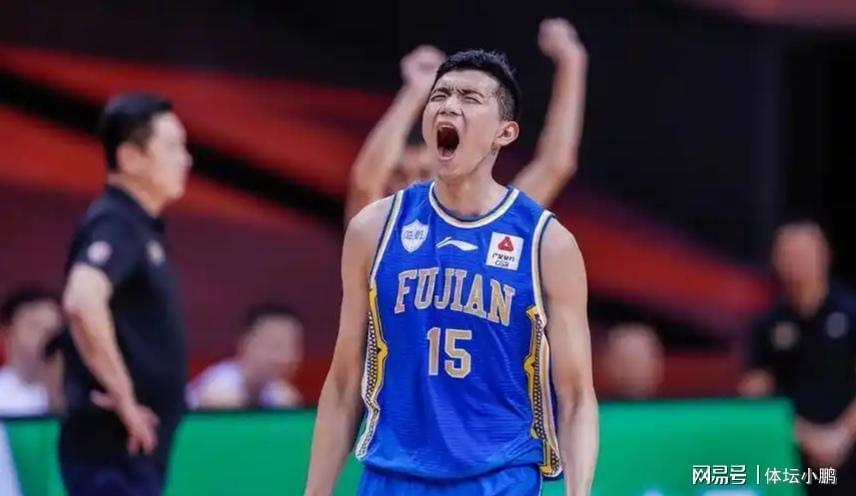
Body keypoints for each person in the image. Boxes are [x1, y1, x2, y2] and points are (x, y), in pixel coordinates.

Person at [307, 49, 598, 496]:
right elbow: (345, 382)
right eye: (440, 95)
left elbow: (576, 396)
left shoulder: (546, 241)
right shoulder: (375, 228)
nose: (449, 105)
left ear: (505, 132)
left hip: (500, 479)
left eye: (469, 97)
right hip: (393, 477)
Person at [60, 92, 192, 496]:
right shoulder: (117, 222)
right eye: (172, 147)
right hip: (112, 455)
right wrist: (124, 398)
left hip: (131, 457)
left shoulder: (138, 227)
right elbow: (82, 300)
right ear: (131, 158)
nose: (186, 159)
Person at [344, 17, 587, 224]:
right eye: (399, 175)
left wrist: (572, 62)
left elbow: (554, 166)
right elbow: (365, 185)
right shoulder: (379, 233)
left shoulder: (492, 228)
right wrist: (415, 92)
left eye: (425, 173)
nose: (411, 185)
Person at [739, 220, 856, 494]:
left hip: (848, 448)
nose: (797, 263)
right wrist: (804, 436)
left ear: (825, 255)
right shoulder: (766, 327)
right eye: (789, 255)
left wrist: (841, 435)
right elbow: (755, 394)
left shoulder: (851, 315)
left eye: (804, 254)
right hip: (791, 455)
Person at [187, 303, 304, 409]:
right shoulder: (218, 391)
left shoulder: (281, 395)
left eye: (293, 346)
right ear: (245, 343)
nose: (286, 357)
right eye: (276, 346)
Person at [0, 287, 63, 416]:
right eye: (35, 327)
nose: (46, 338)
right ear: (8, 332)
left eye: (53, 330)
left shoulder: (75, 391)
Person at [600, 323, 663, 400]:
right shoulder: (592, 405)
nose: (633, 369)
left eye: (638, 362)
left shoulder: (667, 404)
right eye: (625, 362)